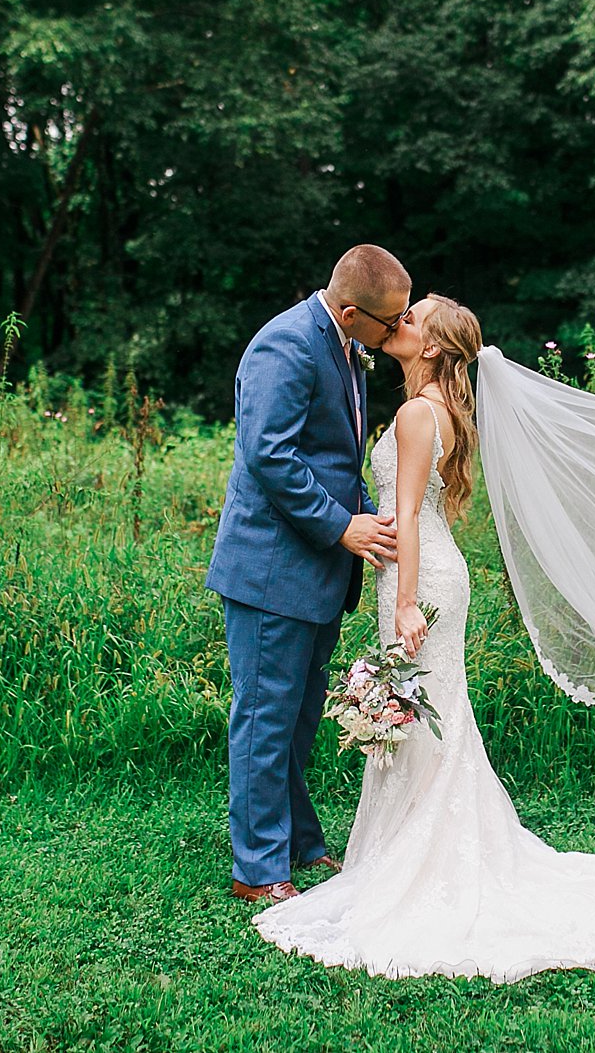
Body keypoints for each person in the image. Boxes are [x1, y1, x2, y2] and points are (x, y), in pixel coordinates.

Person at [249, 294, 595, 983]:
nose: (399, 321)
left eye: (412, 318)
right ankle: (402, 848)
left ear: (432, 348)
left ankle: (424, 861)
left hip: (420, 587)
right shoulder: (433, 409)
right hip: (422, 579)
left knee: (425, 724)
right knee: (427, 722)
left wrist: (401, 605)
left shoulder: (419, 414)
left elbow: (412, 523)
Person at [205, 244, 410, 904]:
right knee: (264, 718)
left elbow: (332, 458)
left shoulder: (347, 348)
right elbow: (269, 455)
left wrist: (375, 518)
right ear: (352, 312)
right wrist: (342, 526)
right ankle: (257, 869)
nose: (398, 331)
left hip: (317, 574)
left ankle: (296, 840)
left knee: (294, 720)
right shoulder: (285, 345)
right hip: (271, 570)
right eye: (391, 321)